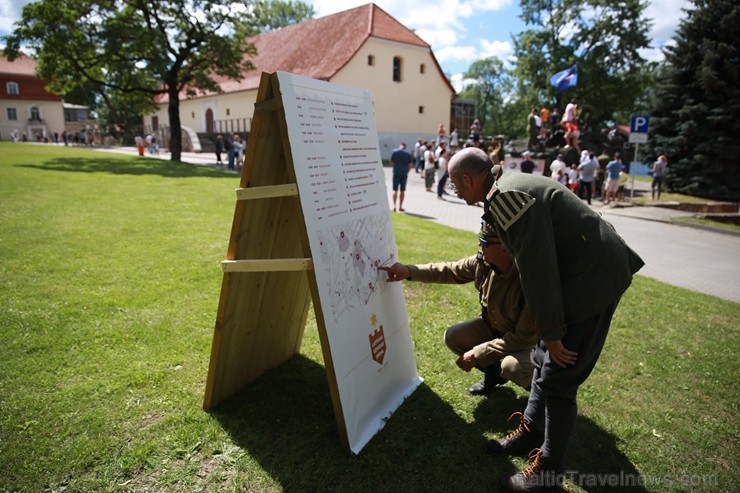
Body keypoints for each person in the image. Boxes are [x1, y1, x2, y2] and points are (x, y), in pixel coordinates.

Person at [447, 147, 644, 493]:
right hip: (582, 272)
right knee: (542, 363)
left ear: (467, 179)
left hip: (592, 279)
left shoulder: (507, 199)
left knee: (558, 378)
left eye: (455, 185)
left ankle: (548, 473)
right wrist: (547, 338)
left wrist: (552, 333)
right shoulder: (502, 190)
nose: (456, 192)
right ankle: (531, 432)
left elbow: (538, 272)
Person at [379, 222, 537, 395]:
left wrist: (478, 353)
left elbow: (522, 338)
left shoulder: (529, 280)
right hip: (499, 330)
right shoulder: (483, 263)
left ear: (504, 248)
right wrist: (409, 271)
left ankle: (543, 399)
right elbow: (449, 270)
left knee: (512, 366)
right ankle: (493, 374)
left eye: (484, 242)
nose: (479, 245)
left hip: (529, 344)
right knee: (455, 337)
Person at [390, 142, 413, 212]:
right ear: (405, 146)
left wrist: (395, 167)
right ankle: (400, 206)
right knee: (402, 191)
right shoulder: (408, 153)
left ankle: (394, 206)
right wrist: (407, 171)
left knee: (395, 190)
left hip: (396, 173)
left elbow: (391, 161)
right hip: (404, 174)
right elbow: (410, 165)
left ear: (400, 145)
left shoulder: (395, 151)